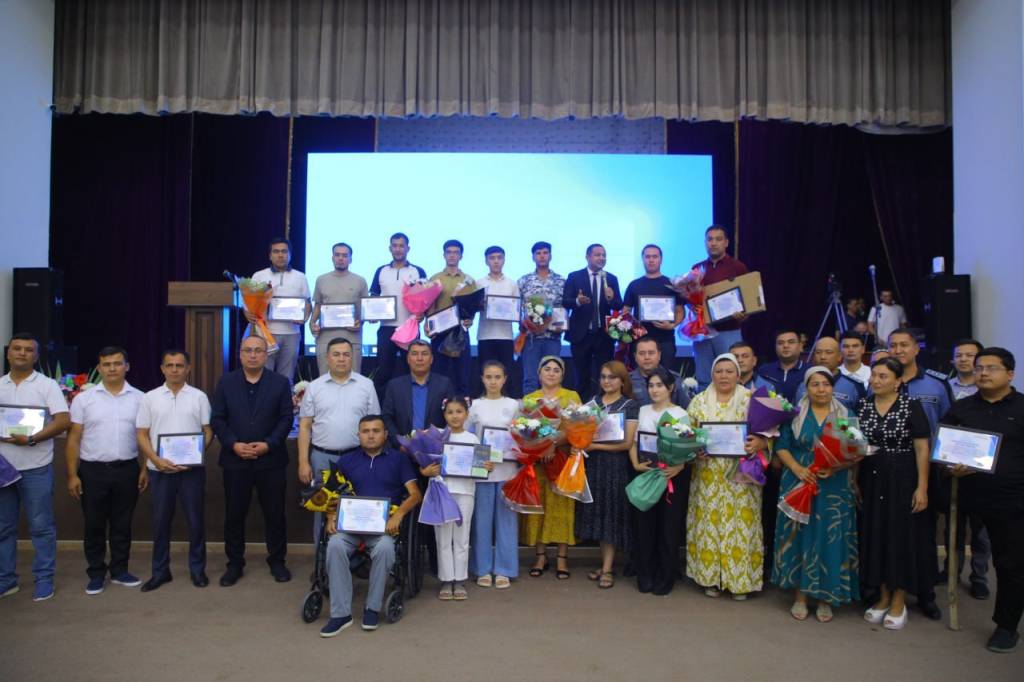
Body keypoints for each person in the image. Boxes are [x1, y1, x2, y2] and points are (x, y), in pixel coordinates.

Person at [941, 347, 1024, 652]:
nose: (984, 373)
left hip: (1011, 501)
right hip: (966, 495)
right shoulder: (962, 408)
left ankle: (1006, 625)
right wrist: (949, 465)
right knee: (955, 547)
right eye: (979, 368)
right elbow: (943, 446)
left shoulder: (1022, 408)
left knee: (1009, 563)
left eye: (991, 368)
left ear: (1010, 374)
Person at [319, 415, 422, 637]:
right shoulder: (346, 461)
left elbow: (415, 494)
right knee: (334, 545)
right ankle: (340, 614)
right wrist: (330, 517)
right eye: (365, 431)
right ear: (359, 435)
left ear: (385, 435)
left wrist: (399, 515)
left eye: (376, 431)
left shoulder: (398, 460)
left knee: (385, 548)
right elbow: (330, 494)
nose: (371, 435)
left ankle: (372, 608)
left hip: (383, 527)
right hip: (350, 527)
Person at [772, 367, 860, 622]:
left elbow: (856, 451)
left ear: (833, 388)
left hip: (833, 487)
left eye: (826, 384)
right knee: (800, 536)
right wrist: (797, 469)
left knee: (829, 538)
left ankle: (825, 598)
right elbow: (782, 446)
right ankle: (800, 596)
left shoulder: (844, 415)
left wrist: (836, 467)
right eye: (815, 384)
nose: (821, 389)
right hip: (798, 482)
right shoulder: (796, 415)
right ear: (806, 388)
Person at [211, 335, 295, 587]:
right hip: (235, 460)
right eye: (248, 350)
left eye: (258, 350)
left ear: (266, 355)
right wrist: (233, 444)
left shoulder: (280, 383)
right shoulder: (226, 382)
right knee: (234, 515)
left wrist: (269, 444)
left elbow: (286, 419)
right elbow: (218, 419)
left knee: (275, 514)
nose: (253, 355)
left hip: (271, 460)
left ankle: (277, 561)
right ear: (240, 354)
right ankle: (234, 564)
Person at [857, 358, 934, 630]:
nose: (876, 381)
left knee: (900, 536)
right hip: (871, 477)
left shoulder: (911, 406)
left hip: (902, 477)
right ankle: (883, 596)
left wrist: (922, 487)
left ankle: (899, 599)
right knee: (876, 534)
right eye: (874, 375)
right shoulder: (863, 405)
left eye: (883, 376)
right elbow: (855, 443)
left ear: (898, 381)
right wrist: (854, 479)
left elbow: (922, 448)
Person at [686, 354, 769, 600]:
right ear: (712, 374)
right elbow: (687, 435)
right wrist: (695, 449)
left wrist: (761, 442)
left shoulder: (752, 400)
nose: (723, 376)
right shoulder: (699, 402)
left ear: (738, 375)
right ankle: (710, 578)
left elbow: (771, 433)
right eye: (719, 371)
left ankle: (739, 582)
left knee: (740, 527)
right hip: (707, 476)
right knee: (708, 526)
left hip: (741, 477)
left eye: (729, 371)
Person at [65, 345, 146, 595]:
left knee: (123, 523)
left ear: (127, 366)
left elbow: (145, 437)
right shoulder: (84, 399)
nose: (112, 368)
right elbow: (74, 439)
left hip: (127, 469)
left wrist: (145, 469)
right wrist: (72, 474)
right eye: (106, 364)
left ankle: (120, 570)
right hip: (93, 471)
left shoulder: (140, 398)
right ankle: (96, 573)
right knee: (94, 524)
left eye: (117, 363)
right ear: (99, 368)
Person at [0, 333, 70, 601]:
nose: (22, 353)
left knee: (41, 527)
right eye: (17, 348)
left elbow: (63, 420)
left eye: (28, 350)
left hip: (36, 467)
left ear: (36, 356)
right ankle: (6, 580)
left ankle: (44, 579)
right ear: (8, 353)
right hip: (3, 468)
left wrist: (31, 439)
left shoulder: (47, 385)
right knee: (3, 528)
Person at [888, 327, 951, 620]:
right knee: (889, 531)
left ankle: (926, 594)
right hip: (888, 469)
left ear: (916, 348)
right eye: (893, 345)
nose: (898, 350)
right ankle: (885, 588)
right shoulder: (879, 381)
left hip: (926, 468)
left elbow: (951, 424)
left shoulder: (937, 384)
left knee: (924, 534)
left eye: (904, 345)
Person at [136, 349, 213, 592]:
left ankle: (197, 570)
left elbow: (208, 430)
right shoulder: (149, 398)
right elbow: (141, 434)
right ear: (162, 369)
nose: (174, 369)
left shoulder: (199, 397)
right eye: (169, 365)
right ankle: (160, 572)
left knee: (196, 522)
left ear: (188, 368)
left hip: (191, 471)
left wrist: (197, 453)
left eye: (179, 365)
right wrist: (154, 460)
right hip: (160, 470)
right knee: (160, 523)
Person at [297, 337, 380, 541]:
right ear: (327, 358)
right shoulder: (315, 387)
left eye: (346, 354)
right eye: (336, 354)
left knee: (357, 507)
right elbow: (305, 426)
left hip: (357, 456)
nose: (341, 359)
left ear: (352, 358)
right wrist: (303, 462)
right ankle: (321, 559)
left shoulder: (366, 385)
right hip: (322, 458)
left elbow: (375, 425)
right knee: (321, 508)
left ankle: (355, 555)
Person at [421, 397, 491, 601]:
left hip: (465, 492)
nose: (455, 416)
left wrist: (486, 467)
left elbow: (481, 469)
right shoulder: (436, 438)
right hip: (441, 491)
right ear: (444, 415)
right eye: (450, 412)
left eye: (459, 411)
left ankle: (459, 579)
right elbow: (425, 465)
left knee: (462, 536)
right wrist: (426, 471)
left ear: (467, 414)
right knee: (443, 538)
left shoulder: (473, 439)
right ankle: (446, 580)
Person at [577, 361, 639, 589]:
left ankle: (608, 569)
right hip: (593, 467)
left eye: (612, 377)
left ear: (622, 381)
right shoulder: (592, 403)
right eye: (603, 377)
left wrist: (595, 446)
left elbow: (627, 443)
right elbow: (579, 431)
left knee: (611, 517)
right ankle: (605, 564)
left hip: (615, 467)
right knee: (600, 517)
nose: (606, 381)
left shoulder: (630, 405)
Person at [937, 338, 990, 599]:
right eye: (959, 355)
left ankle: (979, 576)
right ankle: (951, 570)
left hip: (982, 469)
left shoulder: (987, 389)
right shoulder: (944, 387)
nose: (964, 360)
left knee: (980, 530)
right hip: (952, 466)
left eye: (970, 355)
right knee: (953, 524)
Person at [522, 356, 582, 580]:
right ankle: (540, 557)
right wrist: (540, 446)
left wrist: (553, 443)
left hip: (562, 461)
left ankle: (562, 558)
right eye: (547, 369)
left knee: (562, 509)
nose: (551, 373)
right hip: (538, 463)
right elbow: (524, 429)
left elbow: (577, 427)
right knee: (539, 507)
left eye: (556, 370)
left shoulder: (571, 397)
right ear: (539, 373)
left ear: (562, 375)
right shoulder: (530, 399)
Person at [629, 367, 687, 594]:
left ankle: (665, 575)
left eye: (659, 385)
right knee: (644, 527)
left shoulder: (680, 414)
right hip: (645, 473)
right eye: (651, 385)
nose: (654, 390)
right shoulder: (642, 411)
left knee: (668, 528)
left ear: (670, 387)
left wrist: (679, 466)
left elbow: (687, 446)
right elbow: (633, 441)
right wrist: (635, 463)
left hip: (670, 476)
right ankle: (645, 574)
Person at [467, 361, 520, 589]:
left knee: (507, 522)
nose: (493, 381)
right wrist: (479, 462)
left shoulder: (514, 405)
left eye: (497, 377)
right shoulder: (475, 406)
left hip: (508, 470)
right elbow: (468, 438)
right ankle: (482, 568)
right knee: (482, 522)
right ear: (482, 378)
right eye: (488, 377)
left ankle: (504, 569)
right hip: (483, 470)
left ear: (505, 379)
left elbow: (521, 436)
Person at [369, 232, 428, 393]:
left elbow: (426, 299)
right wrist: (372, 314)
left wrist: (422, 313)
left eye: (401, 246)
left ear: (408, 248)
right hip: (386, 329)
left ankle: (410, 406)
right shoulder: (381, 270)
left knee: (411, 371)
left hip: (409, 328)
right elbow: (373, 297)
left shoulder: (418, 271)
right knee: (383, 372)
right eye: (395, 246)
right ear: (390, 248)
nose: (398, 249)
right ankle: (382, 406)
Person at [691, 226, 749, 390]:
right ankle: (704, 406)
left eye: (718, 239)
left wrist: (744, 314)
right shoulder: (697, 269)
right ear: (705, 243)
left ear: (726, 243)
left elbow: (748, 298)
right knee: (703, 377)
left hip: (729, 331)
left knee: (731, 373)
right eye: (710, 239)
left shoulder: (738, 267)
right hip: (703, 332)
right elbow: (691, 297)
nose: (714, 243)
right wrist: (693, 307)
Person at [562, 244, 622, 402]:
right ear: (588, 257)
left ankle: (604, 405)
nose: (601, 258)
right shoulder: (575, 276)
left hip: (604, 335)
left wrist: (611, 299)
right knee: (581, 376)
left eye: (604, 255)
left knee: (605, 376)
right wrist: (578, 301)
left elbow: (618, 305)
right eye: (597, 255)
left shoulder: (611, 278)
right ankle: (581, 408)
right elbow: (565, 302)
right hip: (581, 335)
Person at [248, 237, 311, 383]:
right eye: (276, 252)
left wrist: (304, 317)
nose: (280, 255)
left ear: (290, 255)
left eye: (284, 251)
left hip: (292, 334)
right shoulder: (259, 275)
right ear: (270, 255)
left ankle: (285, 399)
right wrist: (247, 313)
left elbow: (308, 303)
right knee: (264, 375)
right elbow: (248, 304)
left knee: (287, 377)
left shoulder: (300, 277)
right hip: (265, 333)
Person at [622, 244, 684, 371]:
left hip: (665, 340)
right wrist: (630, 329)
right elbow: (625, 312)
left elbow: (680, 311)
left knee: (665, 377)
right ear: (643, 259)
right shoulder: (634, 285)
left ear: (661, 259)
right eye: (647, 257)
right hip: (639, 341)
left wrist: (671, 325)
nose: (651, 260)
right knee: (639, 379)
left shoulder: (672, 284)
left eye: (655, 257)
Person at [310, 242, 368, 375]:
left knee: (353, 380)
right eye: (337, 255)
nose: (341, 258)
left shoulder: (360, 280)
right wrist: (312, 323)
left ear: (351, 259)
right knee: (325, 380)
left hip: (352, 339)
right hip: (325, 339)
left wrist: (360, 323)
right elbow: (318, 305)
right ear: (332, 258)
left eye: (345, 255)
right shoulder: (321, 280)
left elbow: (365, 310)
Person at [517, 241, 567, 395]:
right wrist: (523, 323)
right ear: (533, 257)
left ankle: (552, 409)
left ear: (550, 256)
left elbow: (566, 307)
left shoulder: (561, 281)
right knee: (530, 379)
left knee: (552, 378)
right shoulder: (524, 281)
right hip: (531, 339)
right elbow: (516, 308)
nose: (542, 256)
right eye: (538, 253)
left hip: (553, 338)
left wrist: (564, 323)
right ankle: (529, 410)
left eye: (545, 253)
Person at [381, 340, 454, 445]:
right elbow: (386, 417)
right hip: (402, 449)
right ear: (408, 359)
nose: (420, 358)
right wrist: (399, 443)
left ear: (431, 359)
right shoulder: (394, 386)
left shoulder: (444, 384)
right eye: (414, 354)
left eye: (424, 354)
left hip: (436, 447)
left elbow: (452, 416)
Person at [426, 239, 475, 395]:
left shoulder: (469, 281)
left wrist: (469, 320)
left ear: (461, 256)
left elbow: (472, 307)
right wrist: (429, 326)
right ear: (444, 255)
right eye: (449, 252)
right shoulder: (435, 278)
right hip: (440, 333)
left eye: (456, 252)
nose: (452, 255)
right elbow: (429, 305)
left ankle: (463, 406)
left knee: (462, 375)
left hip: (460, 333)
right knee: (439, 376)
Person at [475, 246, 520, 397]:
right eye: (492, 258)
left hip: (506, 336)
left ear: (504, 260)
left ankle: (506, 401)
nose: (496, 261)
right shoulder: (479, 283)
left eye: (499, 258)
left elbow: (517, 309)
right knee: (485, 373)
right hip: (485, 335)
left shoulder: (512, 284)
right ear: (486, 261)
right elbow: (473, 308)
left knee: (506, 373)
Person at [794, 337, 865, 411]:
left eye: (828, 352)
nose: (823, 357)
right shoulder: (802, 385)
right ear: (814, 356)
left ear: (839, 356)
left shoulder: (854, 387)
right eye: (818, 352)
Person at [629, 337, 692, 408]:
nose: (646, 357)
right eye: (642, 353)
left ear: (659, 355)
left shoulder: (674, 379)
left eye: (651, 353)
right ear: (635, 357)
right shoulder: (627, 380)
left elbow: (688, 408)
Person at [759, 329, 806, 403]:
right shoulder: (764, 371)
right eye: (780, 343)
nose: (785, 346)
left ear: (800, 346)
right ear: (775, 347)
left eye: (791, 342)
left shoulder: (809, 371)